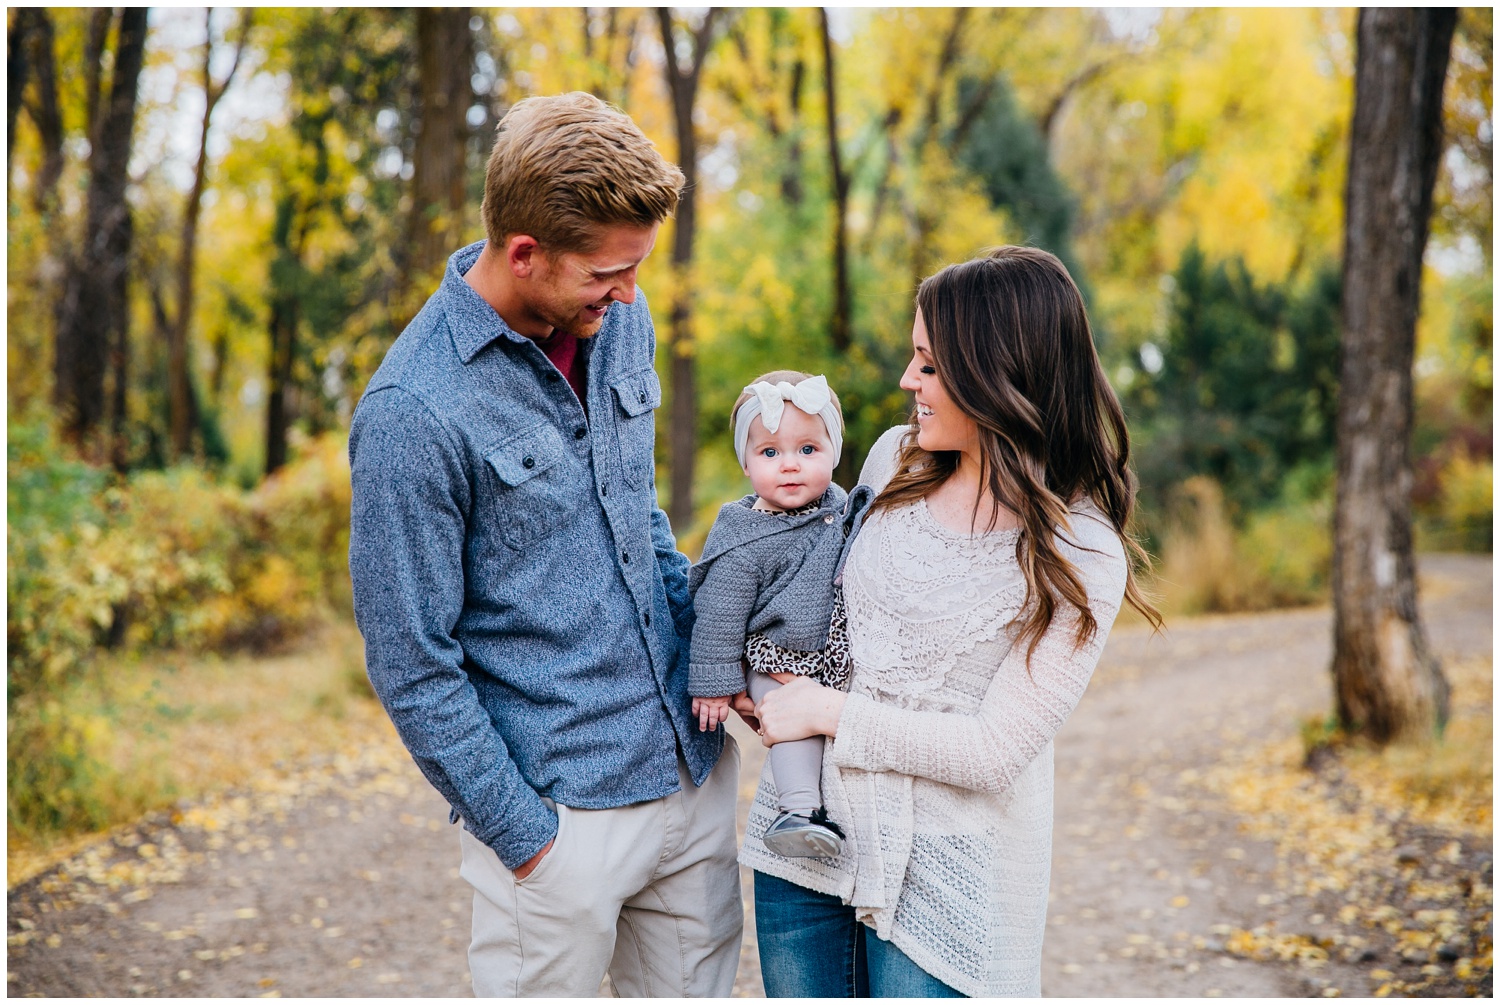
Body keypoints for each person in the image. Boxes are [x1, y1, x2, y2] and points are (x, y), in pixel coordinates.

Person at [347, 92, 742, 998]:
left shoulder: (616, 324)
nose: (630, 294)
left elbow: (635, 514)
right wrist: (526, 839)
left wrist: (713, 654)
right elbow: (412, 659)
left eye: (636, 268)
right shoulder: (413, 413)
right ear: (524, 254)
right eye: (609, 272)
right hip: (561, 822)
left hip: (689, 774)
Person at [737, 246, 1162, 998]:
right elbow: (809, 602)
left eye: (929, 365)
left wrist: (826, 710)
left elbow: (996, 750)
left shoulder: (1080, 550)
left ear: (997, 374)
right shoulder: (890, 461)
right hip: (806, 847)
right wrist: (764, 683)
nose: (908, 381)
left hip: (949, 881)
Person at [687, 371, 872, 858]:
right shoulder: (745, 534)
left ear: (833, 451)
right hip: (773, 655)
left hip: (827, 652)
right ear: (746, 464)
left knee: (829, 727)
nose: (790, 466)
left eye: (808, 450)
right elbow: (718, 613)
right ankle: (798, 810)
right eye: (770, 453)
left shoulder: (841, 506)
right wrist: (712, 681)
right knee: (792, 724)